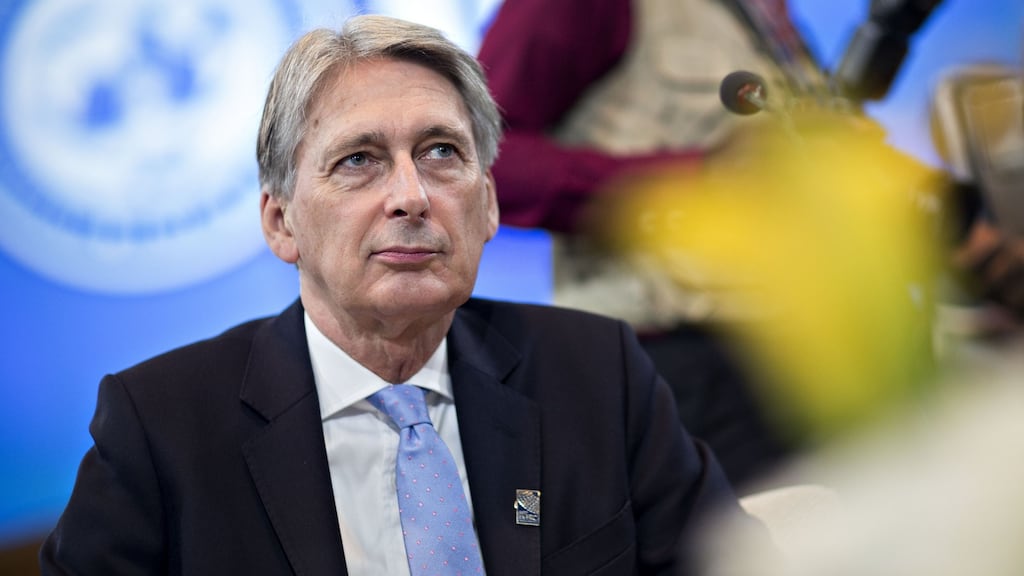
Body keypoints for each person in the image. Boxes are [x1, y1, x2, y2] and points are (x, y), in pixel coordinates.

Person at [39, 14, 751, 576]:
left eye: (442, 152)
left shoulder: (598, 371)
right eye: (359, 160)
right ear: (281, 223)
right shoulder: (160, 426)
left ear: (490, 205)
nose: (411, 196)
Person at [476, 0, 823, 490]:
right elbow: (482, 152)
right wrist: (695, 185)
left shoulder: (766, 17)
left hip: (803, 353)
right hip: (680, 365)